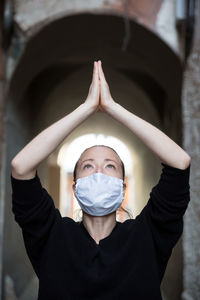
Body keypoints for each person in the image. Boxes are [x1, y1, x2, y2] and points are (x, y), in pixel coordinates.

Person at [11, 61, 191, 300]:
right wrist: (86, 108)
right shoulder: (52, 236)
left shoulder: (147, 235)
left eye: (110, 165)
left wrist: (112, 107)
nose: (99, 173)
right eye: (88, 166)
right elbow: (20, 167)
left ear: (123, 186)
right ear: (75, 187)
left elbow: (179, 162)